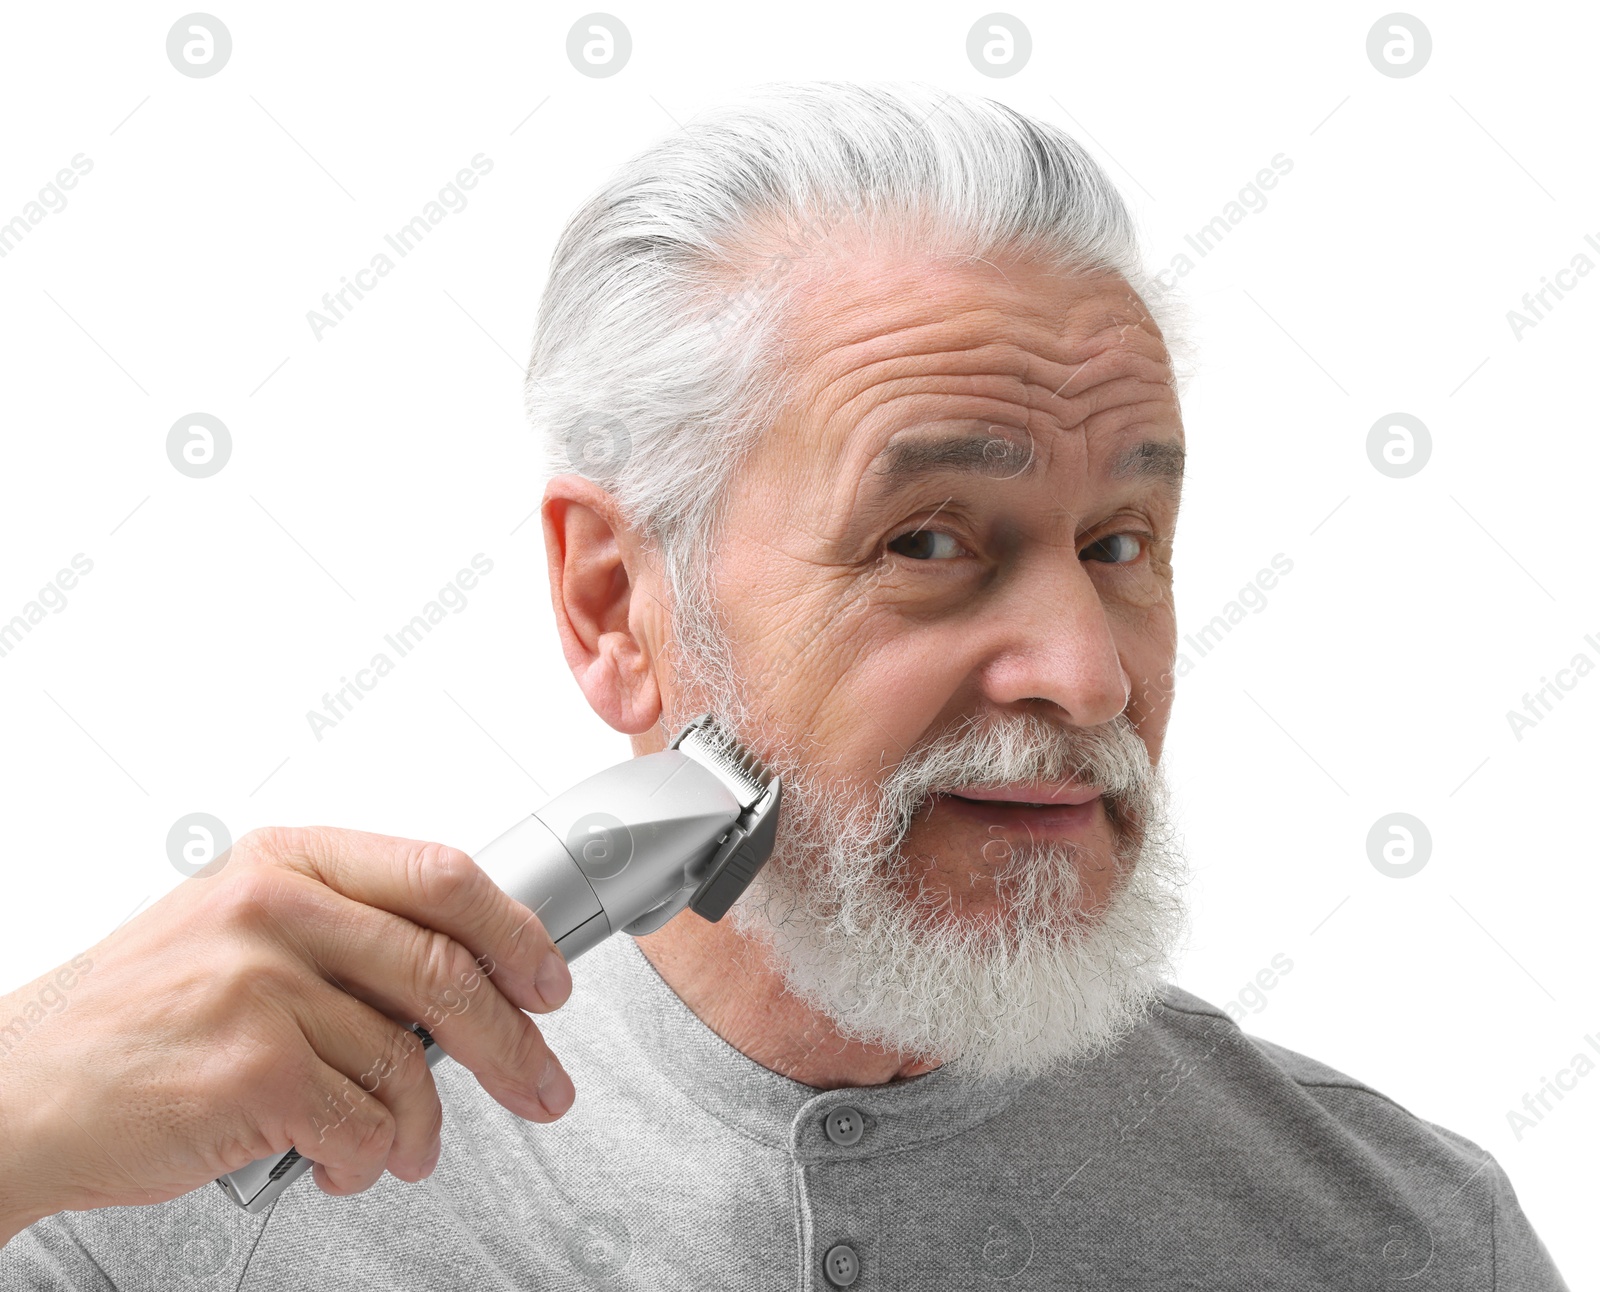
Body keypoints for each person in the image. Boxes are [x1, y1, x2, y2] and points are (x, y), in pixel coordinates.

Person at [0, 82, 1568, 1289]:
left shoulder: (1405, 1241)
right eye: (932, 537)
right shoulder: (163, 1193)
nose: (1087, 676)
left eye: (1120, 542)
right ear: (617, 603)